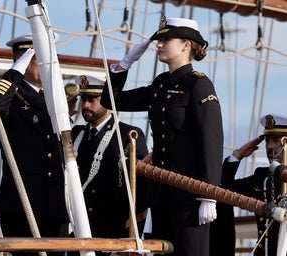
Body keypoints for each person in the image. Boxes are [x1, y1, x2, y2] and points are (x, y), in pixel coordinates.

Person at [100, 16, 224, 256]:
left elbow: (211, 141)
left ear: (186, 45)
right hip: (161, 194)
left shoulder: (199, 86)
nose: (158, 44)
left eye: (166, 39)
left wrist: (209, 196)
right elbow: (111, 101)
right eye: (159, 40)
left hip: (191, 197)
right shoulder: (159, 84)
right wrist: (124, 65)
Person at [0, 34, 69, 256]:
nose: (50, 66)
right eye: (40, 60)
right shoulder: (13, 94)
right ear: (25, 61)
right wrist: (15, 72)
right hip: (23, 204)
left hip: (56, 205)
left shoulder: (53, 97)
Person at [70, 75, 149, 255]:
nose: (86, 106)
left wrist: (130, 235)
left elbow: (140, 192)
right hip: (76, 231)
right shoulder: (75, 135)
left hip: (111, 233)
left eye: (93, 100)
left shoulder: (129, 135)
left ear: (106, 101)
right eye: (83, 99)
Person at [211, 114, 287, 256]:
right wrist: (237, 155)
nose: (270, 146)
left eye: (276, 140)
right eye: (267, 141)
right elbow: (222, 189)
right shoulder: (263, 178)